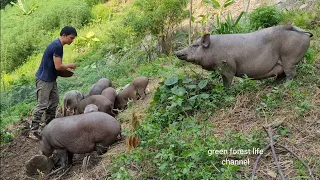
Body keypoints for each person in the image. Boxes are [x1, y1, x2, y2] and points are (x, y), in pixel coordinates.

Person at [29, 26, 77, 139]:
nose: (72, 40)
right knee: (42, 105)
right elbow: (58, 66)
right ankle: (33, 131)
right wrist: (70, 65)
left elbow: (56, 66)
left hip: (51, 79)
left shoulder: (58, 45)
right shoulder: (57, 46)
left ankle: (49, 126)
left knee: (54, 102)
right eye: (71, 38)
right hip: (44, 80)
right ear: (64, 35)